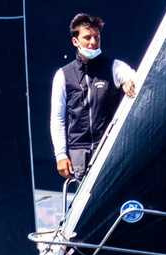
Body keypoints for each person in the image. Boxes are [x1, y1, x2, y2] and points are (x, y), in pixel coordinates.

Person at [50, 13, 139, 182]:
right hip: (78, 152)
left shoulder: (114, 66)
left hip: (108, 148)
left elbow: (132, 76)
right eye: (87, 37)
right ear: (75, 41)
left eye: (96, 37)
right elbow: (58, 119)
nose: (93, 42)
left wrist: (129, 81)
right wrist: (60, 155)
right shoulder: (62, 75)